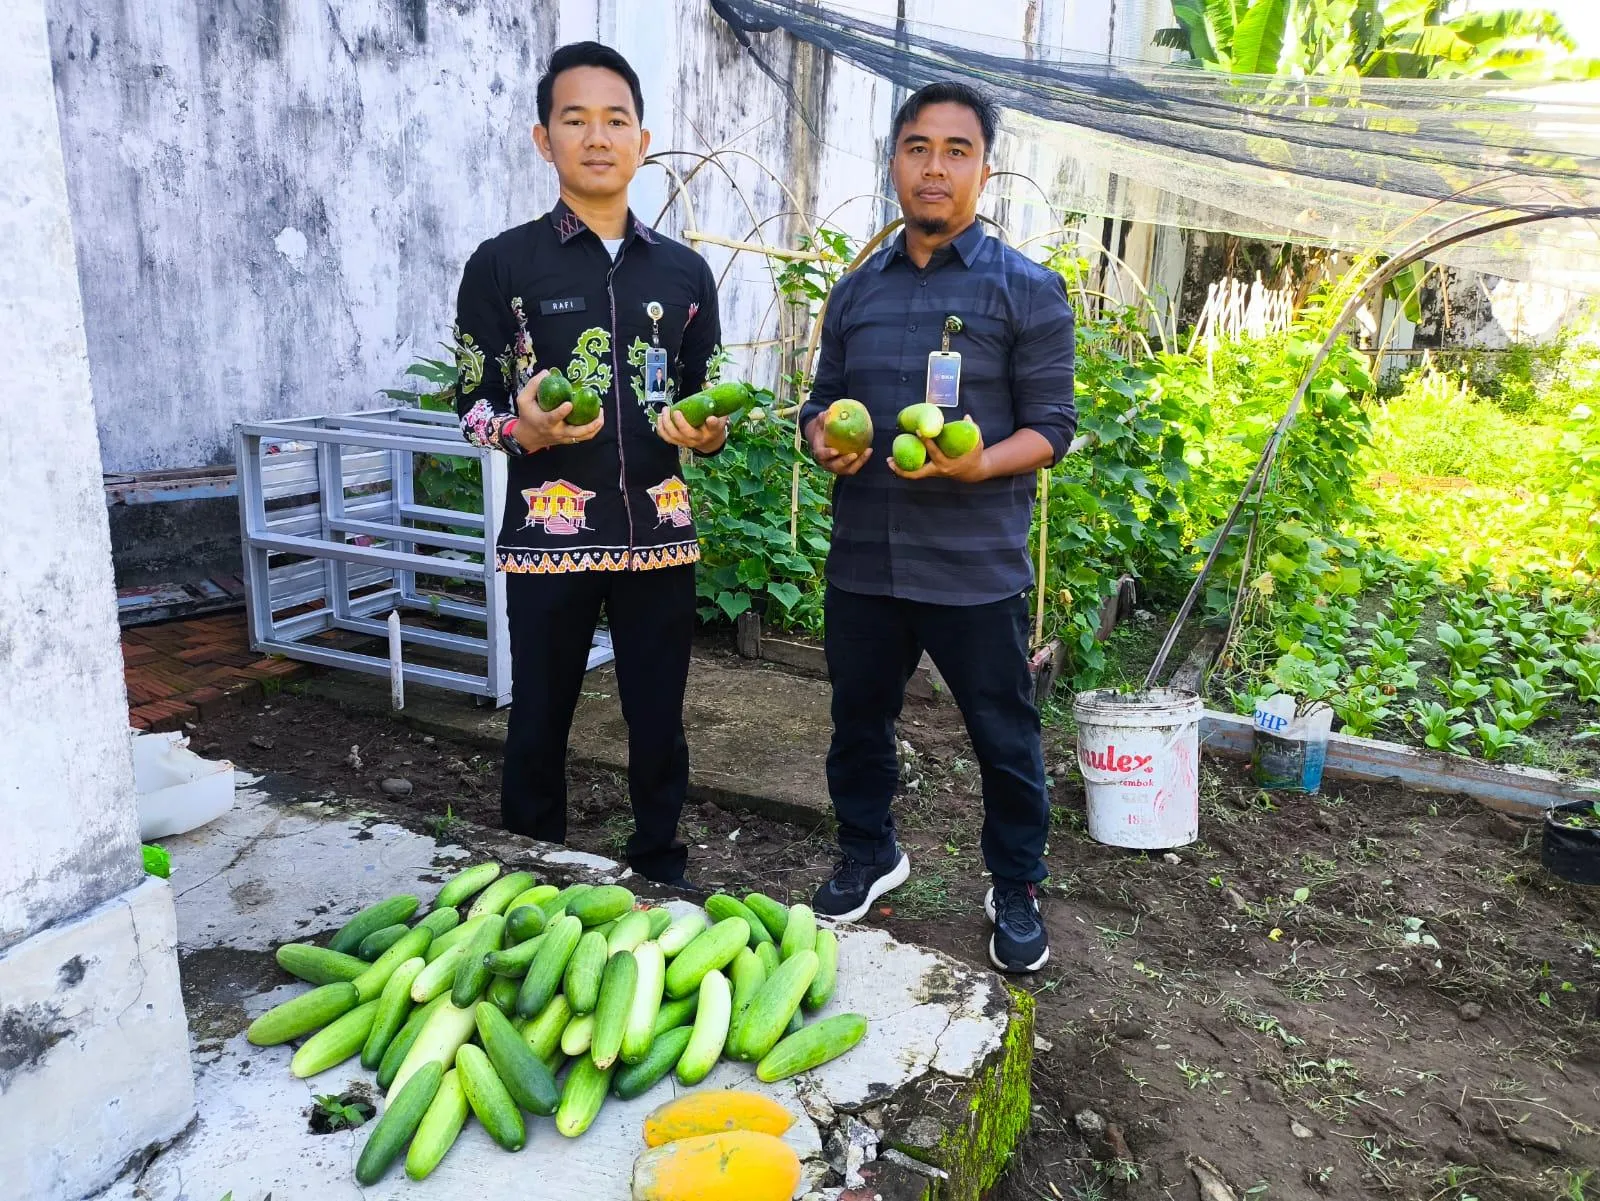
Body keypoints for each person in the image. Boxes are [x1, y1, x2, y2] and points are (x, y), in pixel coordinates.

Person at [799, 81, 1076, 972]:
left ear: (984, 171)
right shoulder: (854, 295)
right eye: (919, 147)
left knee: (1003, 729)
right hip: (866, 560)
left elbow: (1052, 427)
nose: (936, 167)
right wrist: (823, 444)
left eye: (957, 150)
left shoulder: (1026, 291)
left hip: (972, 566)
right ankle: (869, 849)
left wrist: (979, 462)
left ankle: (1016, 881)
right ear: (894, 164)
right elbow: (817, 407)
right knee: (857, 719)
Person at [452, 41, 727, 890]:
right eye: (576, 119)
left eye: (616, 120)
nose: (597, 137)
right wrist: (521, 431)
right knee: (538, 715)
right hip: (549, 531)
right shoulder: (502, 265)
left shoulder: (684, 272)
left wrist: (707, 434)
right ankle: (530, 871)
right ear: (545, 140)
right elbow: (470, 403)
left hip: (660, 534)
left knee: (659, 721)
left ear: (643, 140)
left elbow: (702, 393)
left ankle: (660, 868)